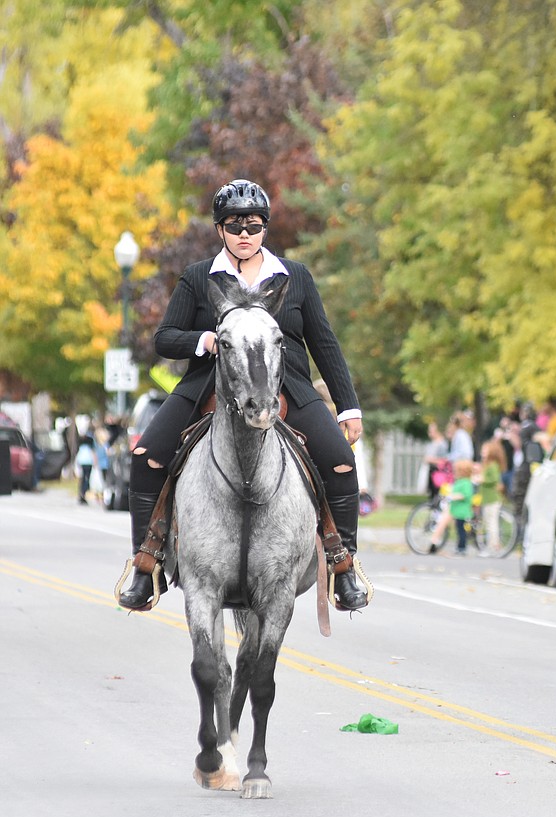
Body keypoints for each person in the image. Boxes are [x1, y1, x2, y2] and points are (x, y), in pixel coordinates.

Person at [117, 178, 369, 612]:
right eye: (235, 227)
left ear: (265, 228)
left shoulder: (295, 277)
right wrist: (206, 341)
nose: (245, 235)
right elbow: (165, 339)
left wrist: (348, 407)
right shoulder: (199, 278)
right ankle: (147, 564)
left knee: (341, 464)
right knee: (146, 457)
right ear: (220, 230)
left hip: (287, 386)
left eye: (254, 226)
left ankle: (342, 564)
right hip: (207, 388)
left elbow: (324, 344)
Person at [429, 458, 475, 555]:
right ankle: (457, 546)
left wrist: (452, 496)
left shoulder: (466, 482)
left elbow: (465, 495)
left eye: (456, 470)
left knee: (462, 531)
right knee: (458, 530)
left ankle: (462, 548)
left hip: (462, 512)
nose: (454, 472)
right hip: (456, 510)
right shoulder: (459, 482)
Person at [478, 437, 507, 554]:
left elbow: (494, 479)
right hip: (487, 499)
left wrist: (482, 479)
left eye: (485, 450)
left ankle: (493, 545)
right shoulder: (486, 465)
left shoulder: (493, 465)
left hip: (492, 499)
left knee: (492, 523)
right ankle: (490, 544)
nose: (482, 452)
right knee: (487, 522)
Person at [421, 420, 450, 501]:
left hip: (439, 473)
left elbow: (444, 460)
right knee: (432, 495)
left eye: (431, 431)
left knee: (438, 495)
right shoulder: (431, 443)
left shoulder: (442, 444)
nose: (429, 433)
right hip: (431, 472)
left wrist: (431, 460)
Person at [75, 434, 96, 504]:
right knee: (87, 478)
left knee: (83, 478)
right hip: (88, 462)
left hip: (82, 462)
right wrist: (95, 461)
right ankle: (83, 493)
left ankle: (81, 493)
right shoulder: (89, 447)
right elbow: (93, 453)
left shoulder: (81, 447)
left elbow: (78, 455)